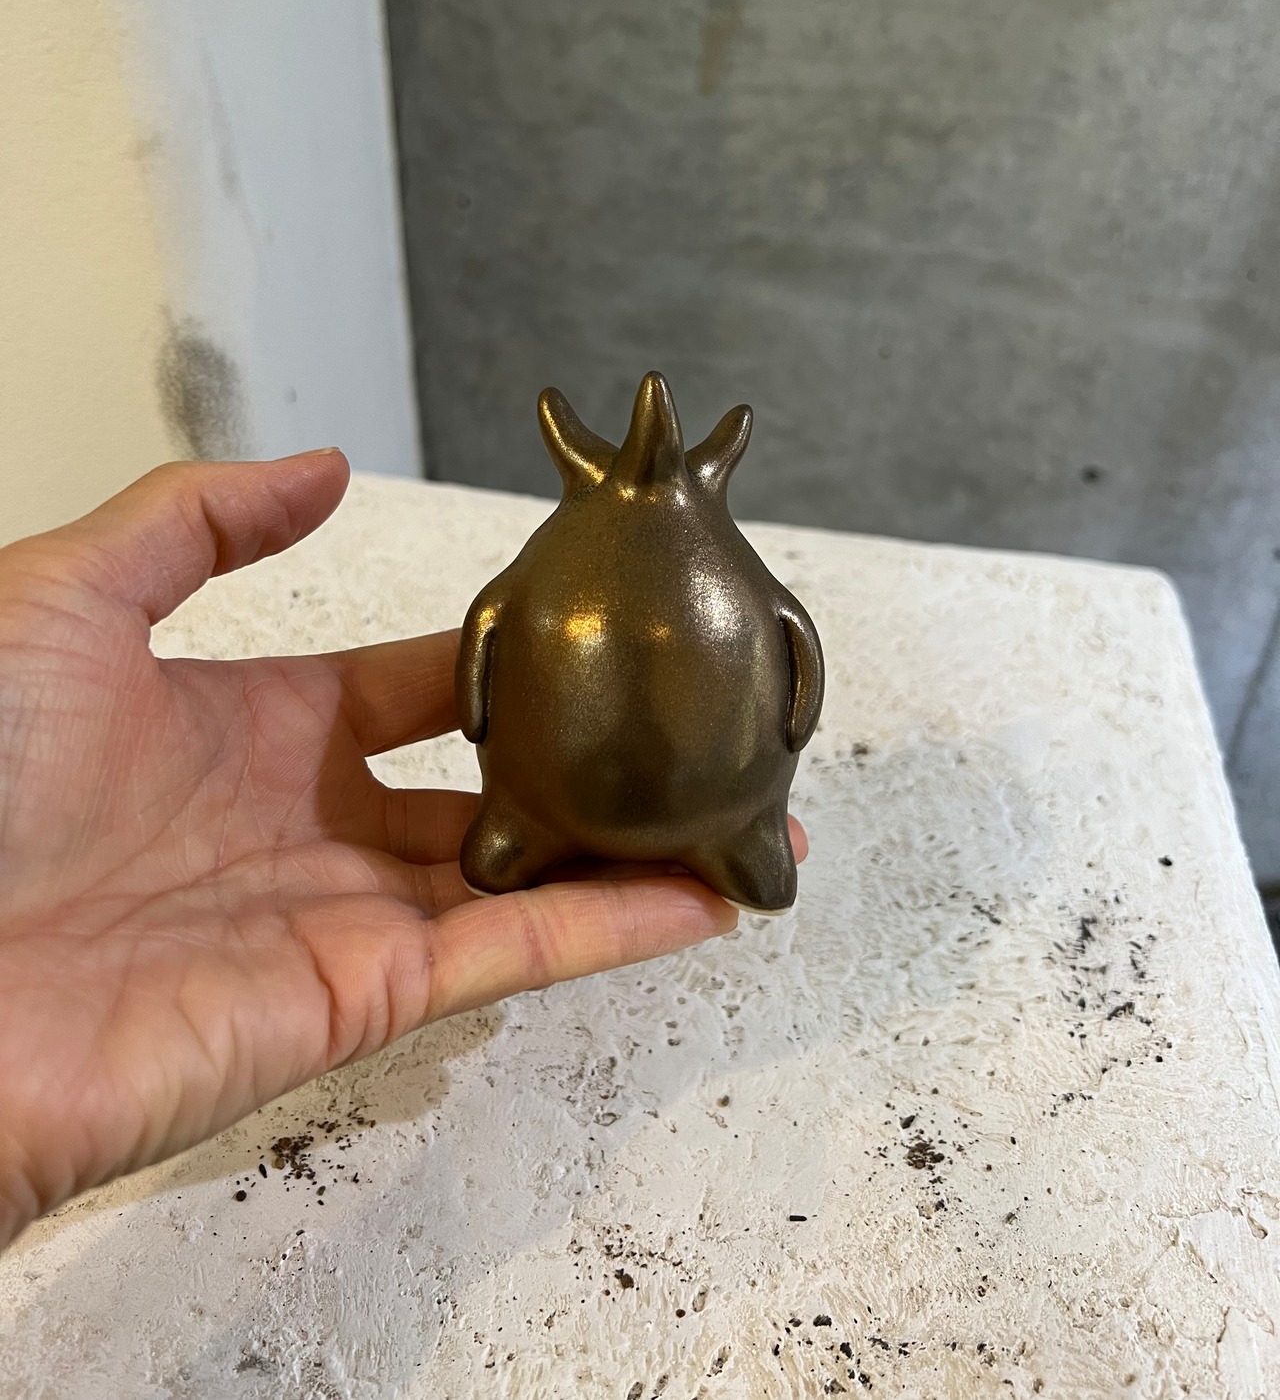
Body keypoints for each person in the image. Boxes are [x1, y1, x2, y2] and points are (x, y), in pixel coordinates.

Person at [0, 451, 806, 1250]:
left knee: (509, 844)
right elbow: (786, 648)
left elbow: (489, 649)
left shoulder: (545, 581)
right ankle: (591, 836)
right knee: (505, 843)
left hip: (644, 804)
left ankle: (636, 836)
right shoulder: (720, 582)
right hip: (570, 805)